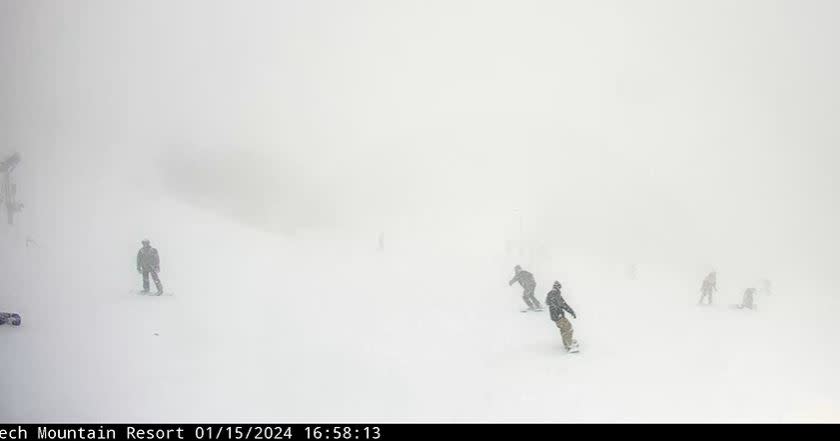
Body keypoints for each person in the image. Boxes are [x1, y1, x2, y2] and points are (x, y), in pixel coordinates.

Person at [545, 281, 578, 351]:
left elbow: (548, 302)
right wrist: (571, 312)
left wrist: (555, 306)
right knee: (568, 328)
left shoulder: (551, 293)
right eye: (559, 287)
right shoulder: (556, 294)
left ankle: (567, 343)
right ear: (558, 287)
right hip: (558, 315)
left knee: (563, 329)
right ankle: (569, 345)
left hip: (555, 316)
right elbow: (563, 304)